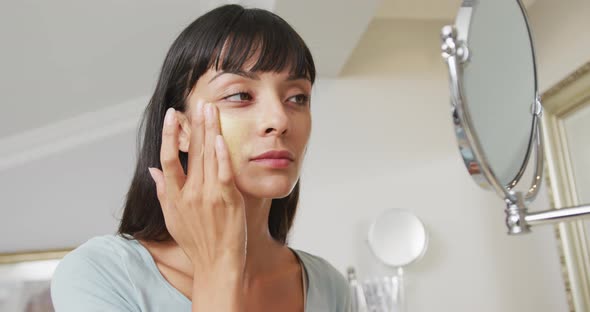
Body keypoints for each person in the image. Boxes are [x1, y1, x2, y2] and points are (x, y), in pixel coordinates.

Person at [50, 4, 351, 312]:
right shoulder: (100, 275)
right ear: (180, 129)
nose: (280, 119)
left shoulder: (330, 289)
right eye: (240, 96)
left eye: (297, 97)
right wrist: (219, 266)